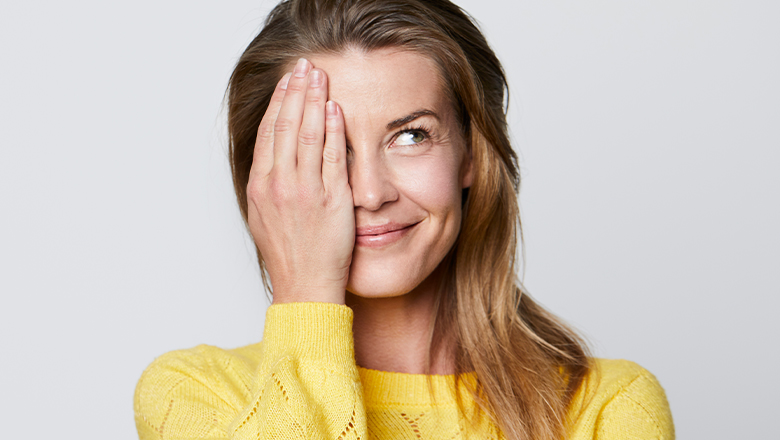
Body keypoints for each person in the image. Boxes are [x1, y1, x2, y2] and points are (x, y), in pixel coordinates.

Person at [133, 0, 674, 438]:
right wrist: (304, 296)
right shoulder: (194, 393)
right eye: (324, 148)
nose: (370, 193)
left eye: (411, 136)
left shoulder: (607, 409)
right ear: (272, 181)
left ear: (470, 153)